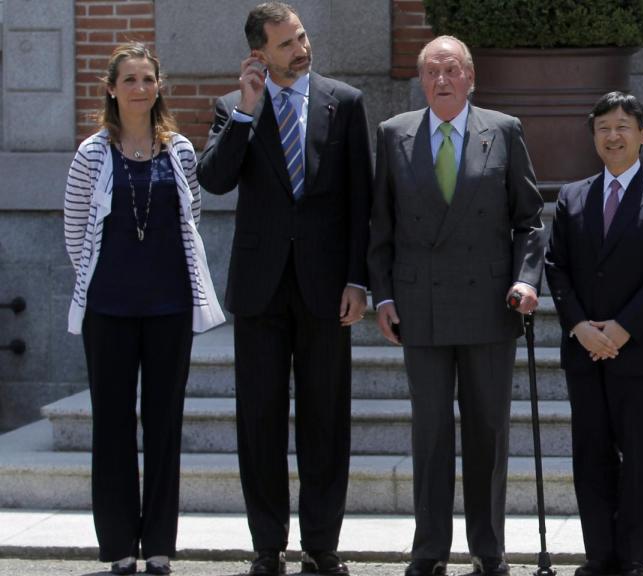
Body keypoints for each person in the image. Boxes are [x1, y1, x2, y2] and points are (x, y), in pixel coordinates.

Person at [196, 2, 372, 574]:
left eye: (301, 36)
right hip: (260, 289)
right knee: (260, 419)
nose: (301, 49)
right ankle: (267, 545)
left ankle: (322, 545)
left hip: (326, 288)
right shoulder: (232, 108)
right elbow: (215, 181)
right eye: (286, 44)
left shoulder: (343, 102)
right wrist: (246, 113)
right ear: (259, 55)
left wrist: (357, 280)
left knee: (326, 418)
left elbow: (359, 201)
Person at [367, 35, 545, 576]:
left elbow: (530, 221)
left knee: (489, 430)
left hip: (491, 305)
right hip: (420, 306)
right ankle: (429, 550)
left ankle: (488, 549)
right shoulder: (394, 134)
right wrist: (385, 295)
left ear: (471, 77)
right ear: (421, 81)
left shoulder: (504, 130)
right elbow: (382, 224)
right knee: (431, 433)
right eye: (431, 72)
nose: (441, 80)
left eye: (451, 70)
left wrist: (526, 279)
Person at [63, 42, 225, 576]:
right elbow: (74, 234)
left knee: (164, 425)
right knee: (111, 427)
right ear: (111, 89)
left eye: (147, 79)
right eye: (128, 80)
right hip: (107, 309)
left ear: (159, 87)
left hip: (168, 308)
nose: (139, 89)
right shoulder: (91, 154)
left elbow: (192, 218)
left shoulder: (178, 150)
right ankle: (117, 549)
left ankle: (158, 545)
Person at [544, 91, 643, 576]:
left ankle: (632, 556)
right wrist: (580, 325)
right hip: (583, 345)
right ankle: (599, 552)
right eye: (604, 126)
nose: (613, 135)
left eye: (623, 126)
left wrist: (622, 329)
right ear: (593, 136)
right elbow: (555, 265)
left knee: (638, 451)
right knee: (590, 451)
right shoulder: (572, 195)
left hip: (639, 346)